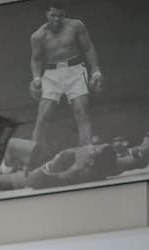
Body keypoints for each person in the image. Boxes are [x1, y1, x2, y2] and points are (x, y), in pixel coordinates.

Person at [29, 5, 103, 148]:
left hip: (75, 70)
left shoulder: (76, 26)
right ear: (47, 14)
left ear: (64, 14)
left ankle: (87, 150)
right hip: (51, 74)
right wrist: (36, 78)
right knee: (43, 115)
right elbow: (36, 59)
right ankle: (32, 154)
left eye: (60, 16)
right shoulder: (38, 36)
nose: (57, 19)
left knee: (82, 111)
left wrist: (96, 70)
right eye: (53, 15)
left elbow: (88, 48)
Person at [0, 139, 118, 192]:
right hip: (49, 160)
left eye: (95, 148)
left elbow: (36, 179)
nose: (92, 146)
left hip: (44, 165)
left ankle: (1, 173)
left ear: (92, 161)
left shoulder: (80, 167)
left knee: (12, 145)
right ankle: (1, 173)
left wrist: (66, 160)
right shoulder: (100, 169)